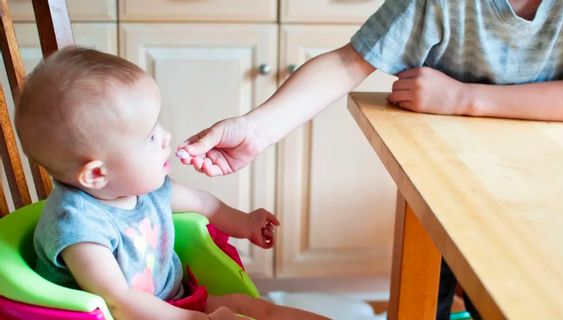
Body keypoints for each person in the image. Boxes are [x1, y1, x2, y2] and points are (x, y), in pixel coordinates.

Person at [175, 0, 563, 319]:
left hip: (546, 196)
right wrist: (256, 129)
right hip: (448, 190)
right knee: (433, 296)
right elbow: (349, 62)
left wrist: (463, 98)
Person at [15, 47, 330, 320]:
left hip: (176, 303)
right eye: (150, 137)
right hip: (127, 316)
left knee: (254, 308)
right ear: (97, 174)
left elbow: (205, 204)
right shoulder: (79, 228)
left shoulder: (145, 189)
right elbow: (119, 301)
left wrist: (246, 223)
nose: (165, 137)